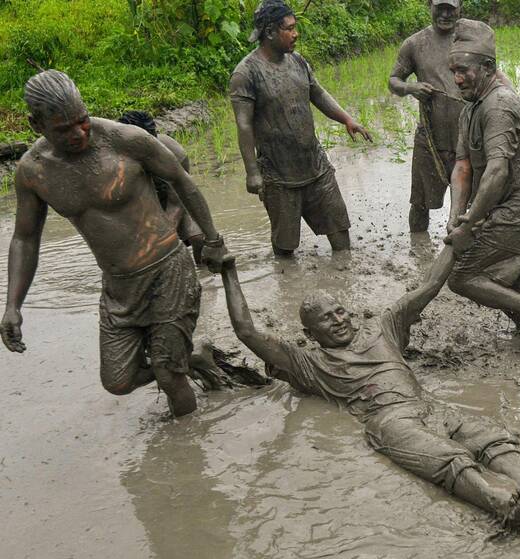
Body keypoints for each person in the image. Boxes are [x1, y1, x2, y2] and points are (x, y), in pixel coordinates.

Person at [219, 246, 520, 530]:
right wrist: (229, 271)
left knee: (490, 439)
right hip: (388, 420)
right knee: (446, 457)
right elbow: (246, 331)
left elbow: (430, 285)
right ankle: (503, 505)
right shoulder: (309, 363)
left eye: (340, 311)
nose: (338, 320)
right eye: (326, 319)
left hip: (430, 405)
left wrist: (455, 240)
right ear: (310, 333)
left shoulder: (383, 327)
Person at [1, 70, 231, 417]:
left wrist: (213, 239)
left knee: (169, 375)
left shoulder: (125, 140)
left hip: (168, 270)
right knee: (118, 382)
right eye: (64, 129)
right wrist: (13, 305)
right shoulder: (33, 172)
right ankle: (193, 356)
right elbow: (25, 238)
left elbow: (182, 180)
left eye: (82, 120)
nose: (79, 133)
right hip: (118, 287)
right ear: (37, 125)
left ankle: (188, 440)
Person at [442, 20, 520, 332]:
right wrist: (456, 217)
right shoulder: (470, 109)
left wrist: (471, 222)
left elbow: (497, 170)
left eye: (463, 70)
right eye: (453, 70)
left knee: (462, 278)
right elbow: (462, 166)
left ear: (488, 68)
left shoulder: (498, 106)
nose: (456, 79)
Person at [230, 0, 372, 257]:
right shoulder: (246, 74)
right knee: (285, 248)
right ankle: (286, 280)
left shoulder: (297, 61)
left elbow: (318, 93)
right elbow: (244, 124)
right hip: (278, 174)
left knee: (340, 233)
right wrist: (252, 172)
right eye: (289, 29)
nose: (296, 34)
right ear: (270, 32)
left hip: (315, 166)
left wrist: (347, 119)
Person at [389, 0, 520, 233]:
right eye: (440, 8)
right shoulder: (414, 44)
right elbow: (394, 80)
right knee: (420, 202)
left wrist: (517, 102)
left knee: (478, 203)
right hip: (430, 140)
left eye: (451, 9)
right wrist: (410, 88)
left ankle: (464, 242)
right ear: (430, 5)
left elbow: (495, 74)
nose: (445, 14)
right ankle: (418, 246)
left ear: (460, 7)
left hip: (469, 139)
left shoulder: (471, 38)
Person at [118, 110, 204, 264]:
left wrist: (160, 239)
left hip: (168, 202)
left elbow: (176, 203)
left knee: (198, 238)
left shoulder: (175, 154)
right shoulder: (113, 155)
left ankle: (205, 274)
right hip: (135, 208)